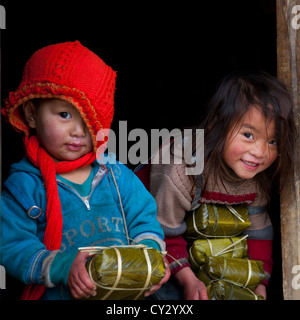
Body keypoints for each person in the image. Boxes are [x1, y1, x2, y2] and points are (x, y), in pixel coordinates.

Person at [1, 41, 169, 300]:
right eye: (64, 115)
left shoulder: (116, 175)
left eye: (90, 120)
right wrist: (63, 266)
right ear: (32, 114)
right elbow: (11, 245)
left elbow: (144, 220)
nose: (79, 132)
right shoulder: (25, 186)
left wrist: (149, 258)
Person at [136, 71, 296, 300]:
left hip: (198, 236)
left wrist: (259, 282)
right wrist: (189, 280)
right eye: (249, 135)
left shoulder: (256, 175)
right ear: (216, 127)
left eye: (272, 141)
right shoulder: (181, 166)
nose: (261, 152)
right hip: (151, 229)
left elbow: (258, 233)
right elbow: (164, 231)